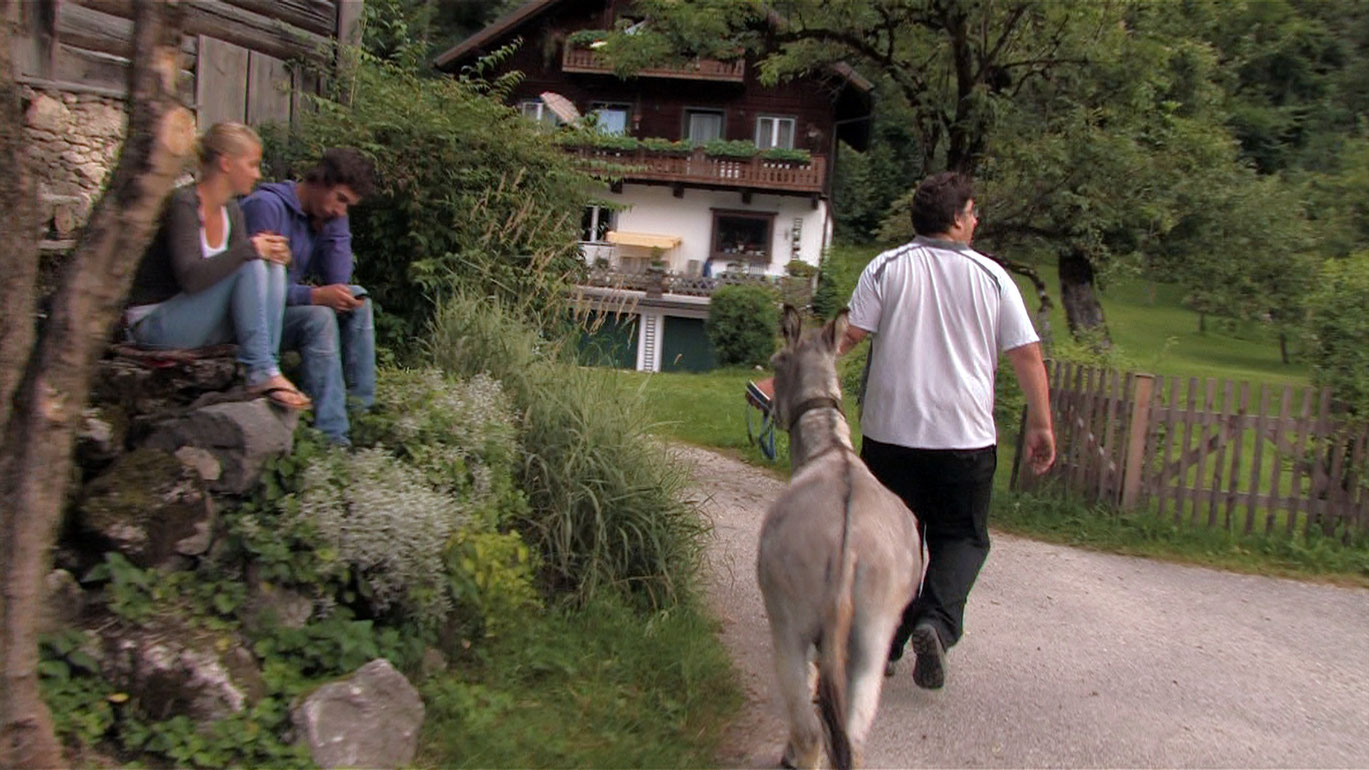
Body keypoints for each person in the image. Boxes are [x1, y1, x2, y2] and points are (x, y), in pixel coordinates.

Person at [838, 171, 1055, 690]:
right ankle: (935, 622)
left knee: (896, 542)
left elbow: (849, 335)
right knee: (961, 537)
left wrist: (794, 375)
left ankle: (885, 642)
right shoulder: (993, 277)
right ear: (957, 220)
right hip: (965, 439)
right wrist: (1042, 424)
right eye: (974, 211)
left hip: (891, 436)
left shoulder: (885, 267)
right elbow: (1025, 353)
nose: (977, 220)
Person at [124, 122, 309, 409]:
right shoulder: (183, 204)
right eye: (252, 164)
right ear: (226, 163)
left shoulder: (232, 210)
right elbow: (191, 278)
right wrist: (250, 250)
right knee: (251, 260)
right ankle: (261, 370)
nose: (257, 174)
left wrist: (275, 255)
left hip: (199, 321)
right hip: (155, 325)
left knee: (267, 264)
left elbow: (238, 270)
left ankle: (267, 367)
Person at [241, 148, 377, 445]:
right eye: (340, 199)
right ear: (320, 180)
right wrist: (313, 296)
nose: (341, 209)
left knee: (357, 299)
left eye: (348, 206)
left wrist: (338, 226)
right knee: (319, 317)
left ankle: (362, 416)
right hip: (252, 323)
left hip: (282, 311)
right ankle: (333, 438)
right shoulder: (267, 206)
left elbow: (338, 280)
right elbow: (254, 292)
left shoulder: (322, 217)